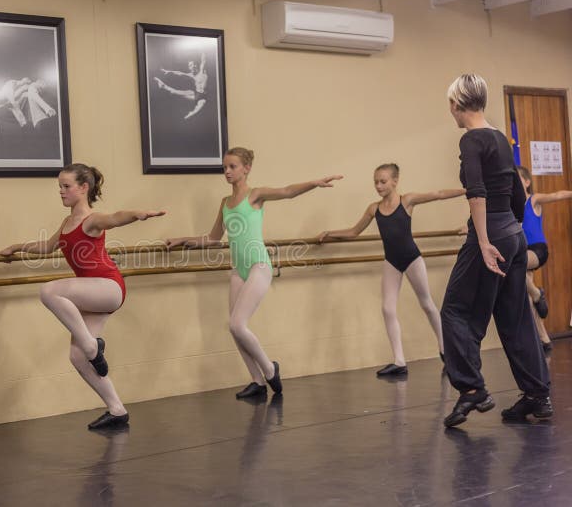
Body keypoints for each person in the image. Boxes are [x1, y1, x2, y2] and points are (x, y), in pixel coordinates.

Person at [166, 147, 342, 399]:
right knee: (234, 328)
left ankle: (270, 369)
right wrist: (183, 239)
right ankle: (257, 382)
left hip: (259, 266)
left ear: (246, 169)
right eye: (224, 167)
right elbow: (213, 238)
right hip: (239, 270)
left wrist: (315, 182)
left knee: (237, 324)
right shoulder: (225, 204)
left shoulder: (255, 195)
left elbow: (288, 192)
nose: (227, 171)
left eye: (232, 166)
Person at [0, 163, 164, 429]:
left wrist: (140, 214)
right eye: (59, 187)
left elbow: (117, 217)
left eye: (66, 186)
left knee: (49, 290)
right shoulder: (67, 222)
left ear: (83, 188)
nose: (61, 192)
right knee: (76, 357)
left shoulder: (92, 220)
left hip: (108, 286)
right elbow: (47, 247)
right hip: (91, 292)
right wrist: (16, 248)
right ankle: (117, 409)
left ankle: (91, 345)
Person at [439, 74, 551, 428]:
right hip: (514, 235)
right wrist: (513, 233)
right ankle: (537, 395)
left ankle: (472, 389)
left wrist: (486, 241)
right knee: (514, 316)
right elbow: (518, 193)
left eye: (450, 106)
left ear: (456, 105)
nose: (451, 112)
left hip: (491, 236)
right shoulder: (500, 138)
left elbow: (476, 191)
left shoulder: (471, 139)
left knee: (455, 311)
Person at [317, 164, 465, 376]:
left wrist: (468, 190)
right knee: (387, 308)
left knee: (427, 304)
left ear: (395, 181)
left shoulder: (407, 200)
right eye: (376, 182)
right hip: (392, 262)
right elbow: (354, 231)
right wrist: (330, 233)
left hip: (413, 259)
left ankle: (446, 350)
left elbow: (438, 194)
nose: (378, 186)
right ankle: (399, 361)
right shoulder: (373, 209)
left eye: (383, 181)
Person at [516, 166, 572, 354]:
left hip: (538, 251)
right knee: (527, 295)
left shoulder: (534, 200)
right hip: (522, 253)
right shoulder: (511, 206)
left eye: (517, 179)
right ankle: (545, 340)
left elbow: (556, 195)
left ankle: (538, 294)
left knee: (515, 264)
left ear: (526, 182)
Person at [153, 52, 208, 119]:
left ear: (196, 65)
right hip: (195, 94)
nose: (191, 67)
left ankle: (190, 115)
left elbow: (203, 60)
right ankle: (163, 86)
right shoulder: (191, 75)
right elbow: (180, 73)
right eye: (189, 66)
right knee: (174, 92)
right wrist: (168, 71)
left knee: (198, 108)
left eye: (192, 65)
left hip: (203, 97)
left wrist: (203, 51)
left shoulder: (202, 72)